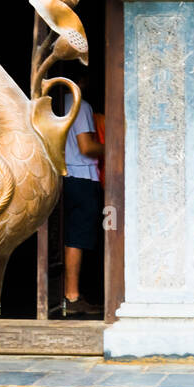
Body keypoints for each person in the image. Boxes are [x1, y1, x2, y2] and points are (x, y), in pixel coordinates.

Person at [61, 87, 104, 317]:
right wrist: (114, 148)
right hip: (81, 176)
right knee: (77, 237)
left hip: (61, 176)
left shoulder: (54, 103)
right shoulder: (80, 104)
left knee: (66, 236)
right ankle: (73, 295)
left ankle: (69, 295)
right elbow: (86, 147)